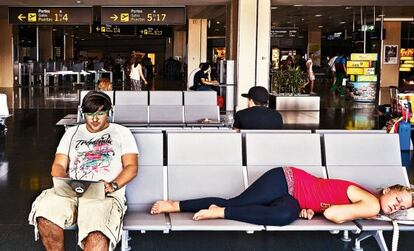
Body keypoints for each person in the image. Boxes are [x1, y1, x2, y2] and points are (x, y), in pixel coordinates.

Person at [28, 91, 139, 251]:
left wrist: (113, 185)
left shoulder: (122, 133)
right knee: (45, 215)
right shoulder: (71, 133)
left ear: (109, 112)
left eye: (100, 113)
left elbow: (132, 167)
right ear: (83, 113)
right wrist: (66, 182)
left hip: (105, 195)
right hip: (71, 191)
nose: (94, 119)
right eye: (90, 114)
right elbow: (58, 166)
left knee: (97, 234)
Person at [151, 166, 413, 226]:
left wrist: (310, 208)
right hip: (287, 180)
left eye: (401, 207)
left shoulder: (368, 201)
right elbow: (334, 214)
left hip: (296, 200)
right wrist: (371, 212)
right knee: (238, 202)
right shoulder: (369, 204)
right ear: (388, 190)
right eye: (398, 199)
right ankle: (176, 205)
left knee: (284, 215)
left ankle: (220, 212)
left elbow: (328, 206)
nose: (396, 206)